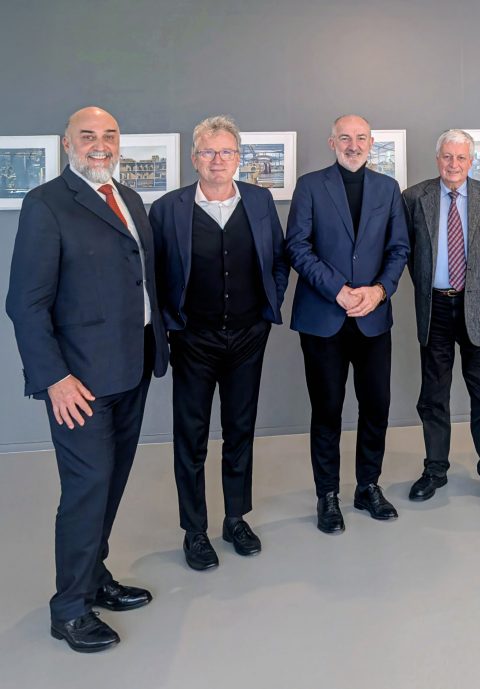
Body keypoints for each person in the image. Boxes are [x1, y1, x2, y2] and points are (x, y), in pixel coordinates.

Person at [6, 106, 169, 652]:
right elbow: (25, 304)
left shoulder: (131, 199)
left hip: (132, 368)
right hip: (79, 382)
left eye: (109, 135)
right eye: (88, 135)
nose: (100, 144)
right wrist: (54, 379)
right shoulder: (46, 203)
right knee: (86, 490)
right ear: (67, 143)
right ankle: (70, 610)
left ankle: (96, 578)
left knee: (111, 482)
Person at [149, 116, 289, 570]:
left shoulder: (259, 201)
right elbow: (155, 276)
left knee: (240, 430)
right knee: (190, 437)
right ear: (194, 158)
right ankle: (194, 530)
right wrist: (171, 326)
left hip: (249, 336)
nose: (217, 160)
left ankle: (235, 518)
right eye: (208, 152)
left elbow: (278, 260)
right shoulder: (168, 209)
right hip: (193, 339)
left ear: (238, 158)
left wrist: (268, 308)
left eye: (227, 152)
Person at [286, 114, 410, 532]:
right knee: (327, 411)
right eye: (344, 138)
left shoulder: (387, 189)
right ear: (332, 142)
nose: (352, 145)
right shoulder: (309, 186)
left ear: (371, 143)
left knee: (376, 407)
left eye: (360, 138)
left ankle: (367, 486)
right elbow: (297, 247)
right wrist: (337, 290)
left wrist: (379, 291)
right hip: (323, 317)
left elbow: (399, 249)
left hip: (373, 317)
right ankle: (327, 495)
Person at [402, 130, 480, 507]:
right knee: (433, 395)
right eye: (447, 157)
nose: (453, 164)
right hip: (434, 308)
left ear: (471, 161)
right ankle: (435, 469)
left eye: (461, 157)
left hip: (478, 310)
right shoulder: (414, 198)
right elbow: (407, 254)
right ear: (438, 159)